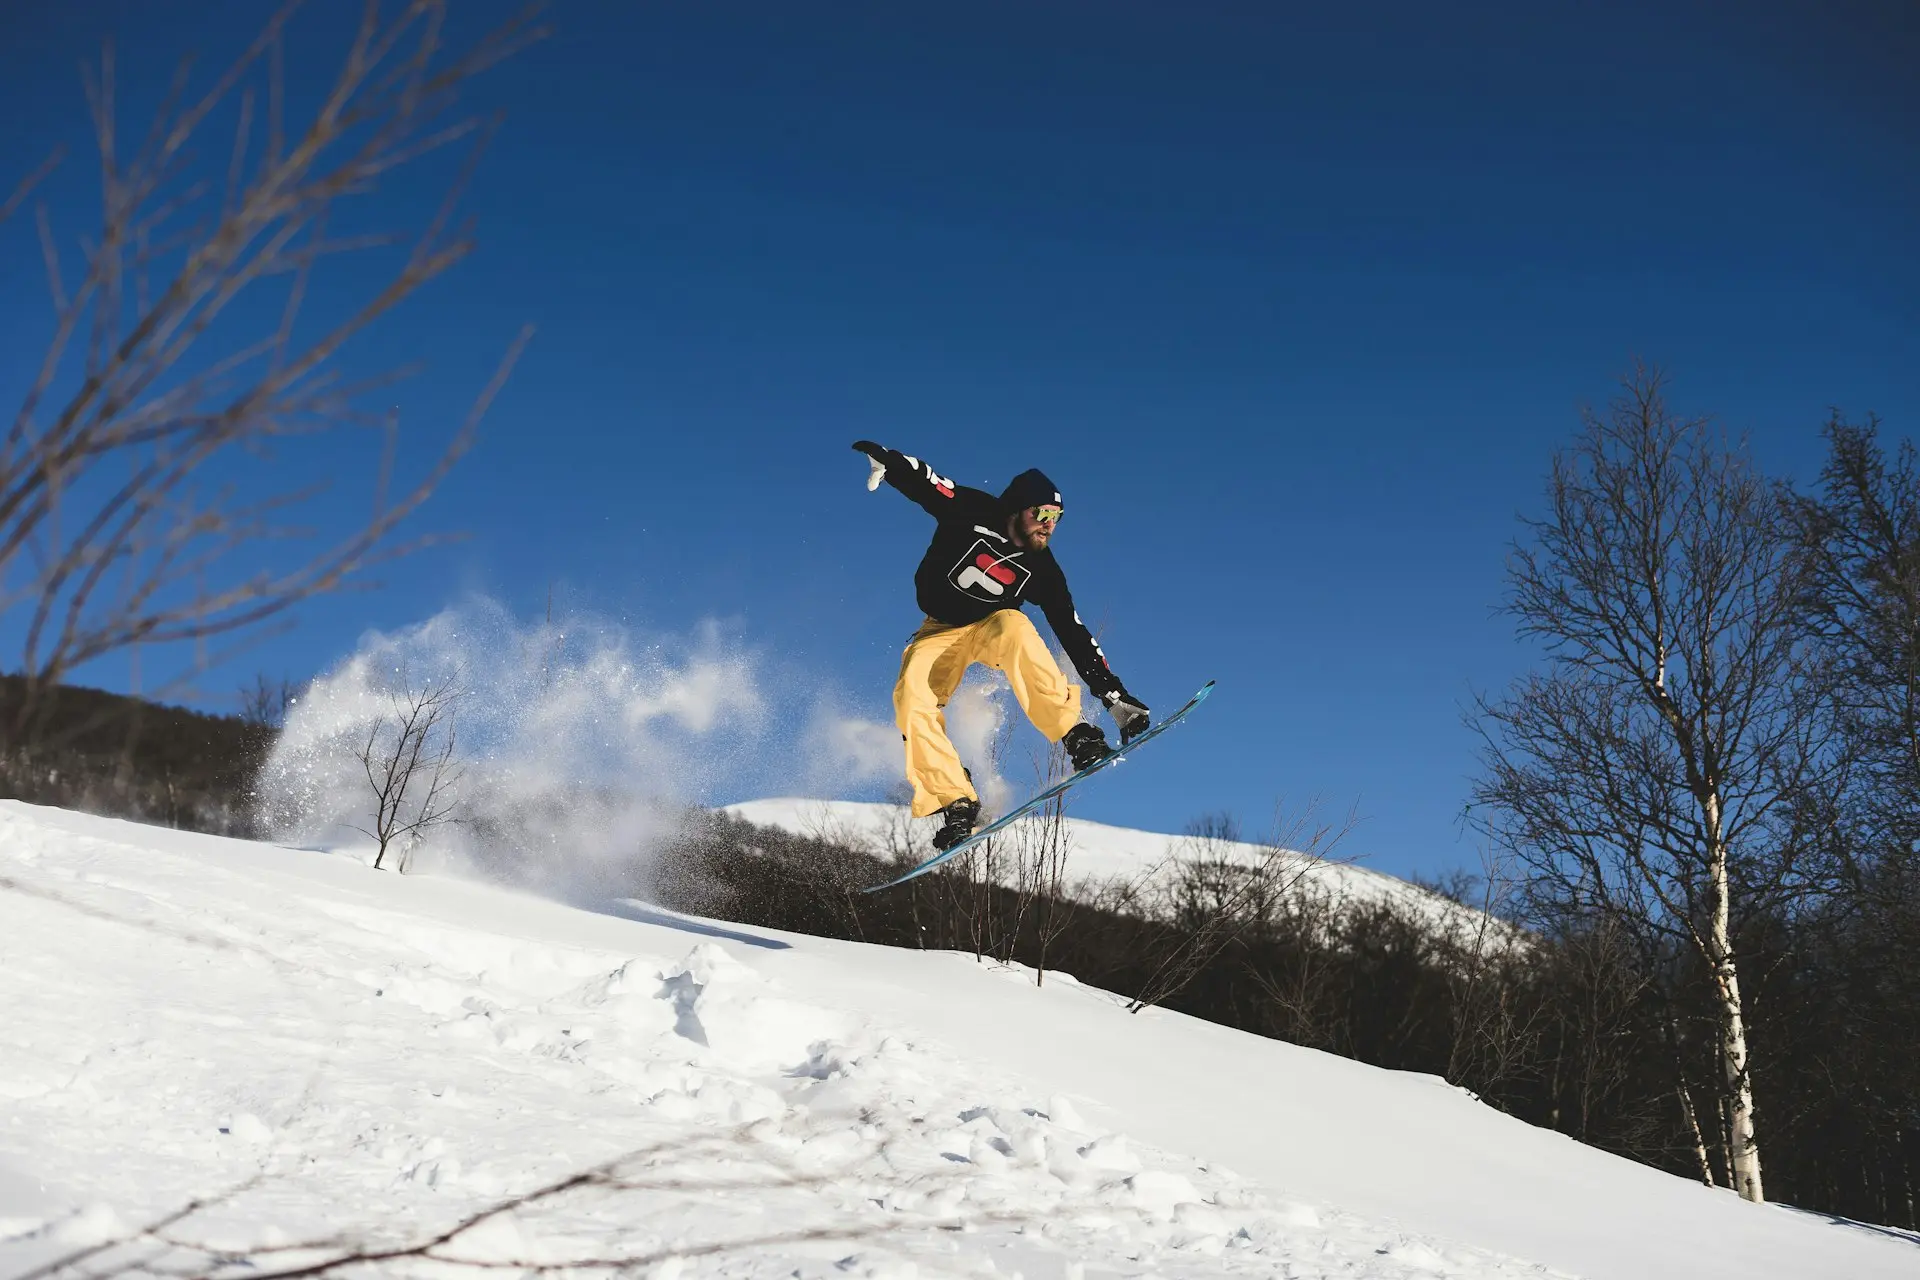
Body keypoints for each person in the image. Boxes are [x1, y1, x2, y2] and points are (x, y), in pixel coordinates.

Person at [852, 440, 1151, 851]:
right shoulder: (973, 511)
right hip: (938, 631)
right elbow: (930, 485)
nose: (1049, 524)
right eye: (1042, 514)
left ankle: (1076, 734)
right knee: (911, 698)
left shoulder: (1043, 570)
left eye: (1057, 518)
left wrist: (1112, 695)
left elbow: (1073, 631)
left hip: (990, 626)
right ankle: (955, 798)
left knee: (1016, 626)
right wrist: (890, 461)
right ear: (1018, 508)